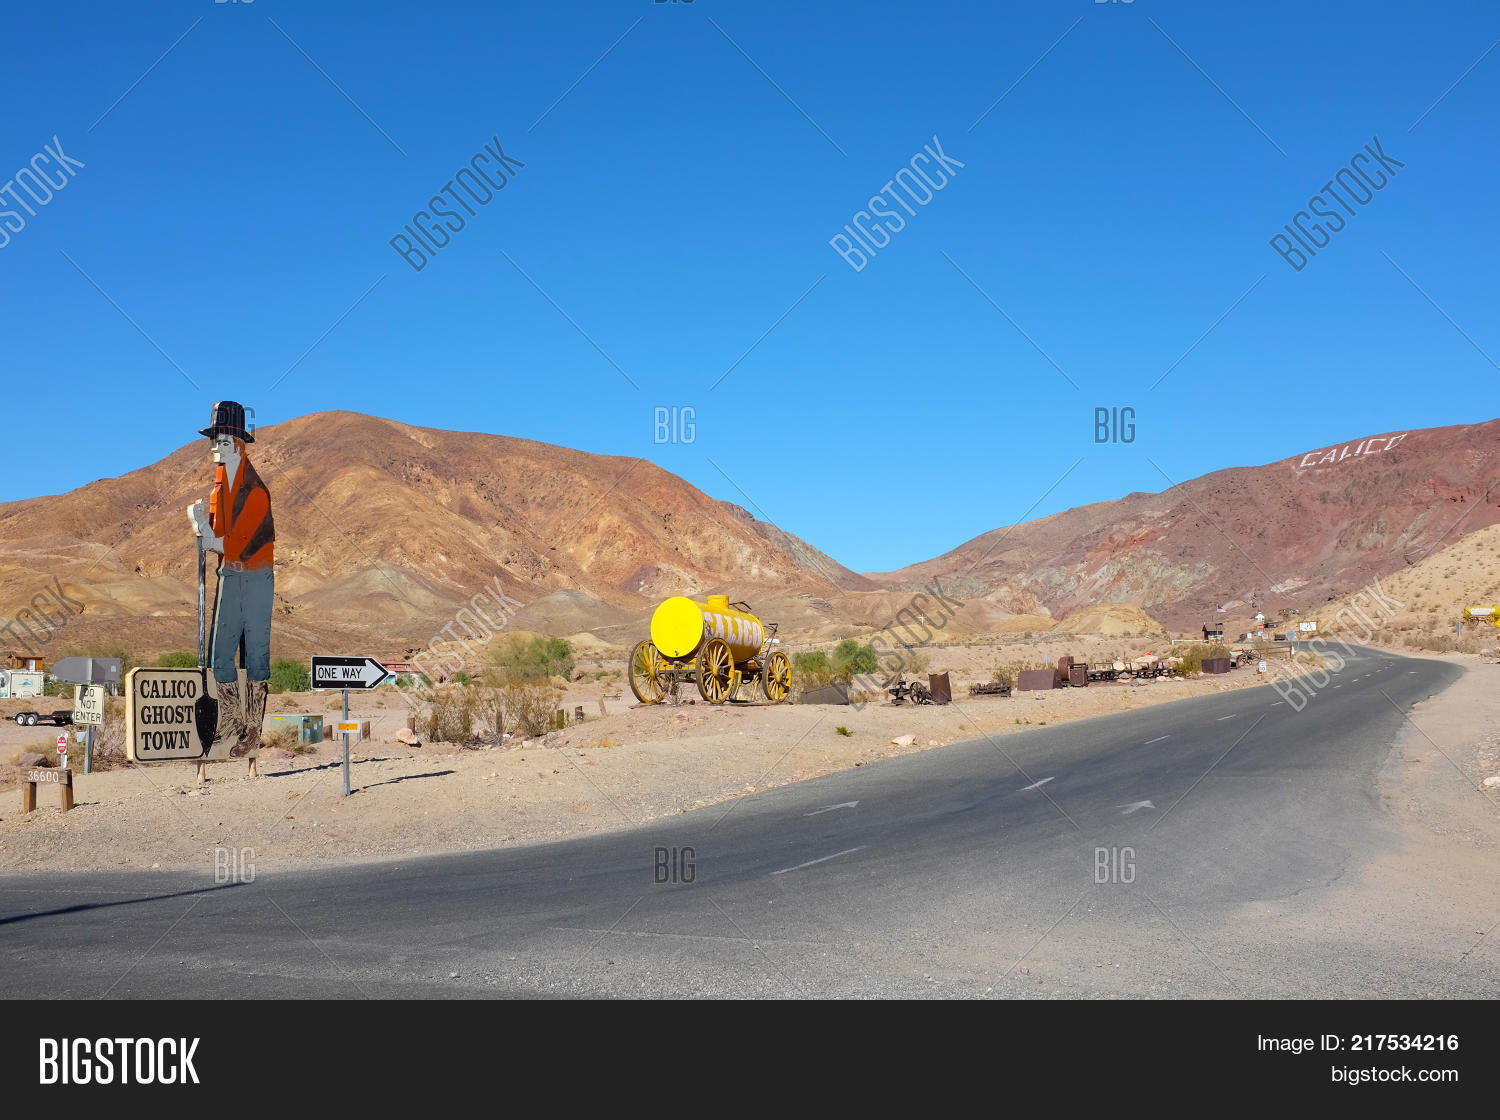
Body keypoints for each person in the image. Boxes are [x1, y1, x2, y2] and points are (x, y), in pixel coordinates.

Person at [186, 402, 274, 758]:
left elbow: (237, 543)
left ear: (237, 443)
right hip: (228, 576)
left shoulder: (256, 492)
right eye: (213, 440)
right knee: (220, 654)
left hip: (255, 578)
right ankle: (230, 721)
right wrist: (202, 526)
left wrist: (209, 537)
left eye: (220, 440)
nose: (214, 448)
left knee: (255, 656)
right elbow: (218, 538)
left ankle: (253, 727)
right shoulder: (218, 491)